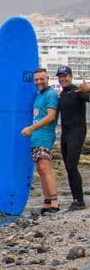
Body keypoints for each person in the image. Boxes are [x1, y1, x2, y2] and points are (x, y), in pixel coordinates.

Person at [23, 68, 60, 214]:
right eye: (36, 79)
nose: (39, 82)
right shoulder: (39, 95)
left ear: (47, 78)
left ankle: (55, 203)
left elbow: (51, 116)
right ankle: (47, 202)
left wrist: (31, 128)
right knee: (40, 169)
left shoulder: (51, 94)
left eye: (41, 79)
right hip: (35, 139)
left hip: (44, 137)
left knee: (45, 168)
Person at [55, 66, 90, 211]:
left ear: (71, 76)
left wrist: (88, 90)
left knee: (71, 165)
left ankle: (79, 201)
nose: (63, 79)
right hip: (65, 134)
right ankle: (76, 200)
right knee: (69, 167)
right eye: (60, 76)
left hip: (77, 132)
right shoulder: (62, 94)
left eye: (65, 76)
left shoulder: (78, 91)